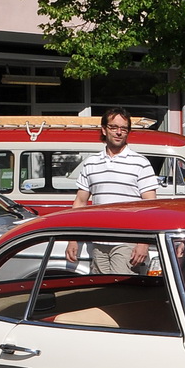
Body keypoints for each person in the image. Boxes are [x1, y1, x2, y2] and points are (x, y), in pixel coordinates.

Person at [67, 108, 157, 272]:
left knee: (122, 291)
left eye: (123, 129)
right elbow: (80, 202)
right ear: (103, 129)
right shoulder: (91, 163)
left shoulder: (140, 163)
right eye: (114, 127)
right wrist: (72, 239)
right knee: (101, 291)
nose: (119, 132)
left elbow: (151, 205)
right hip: (99, 241)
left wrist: (143, 243)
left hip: (127, 241)